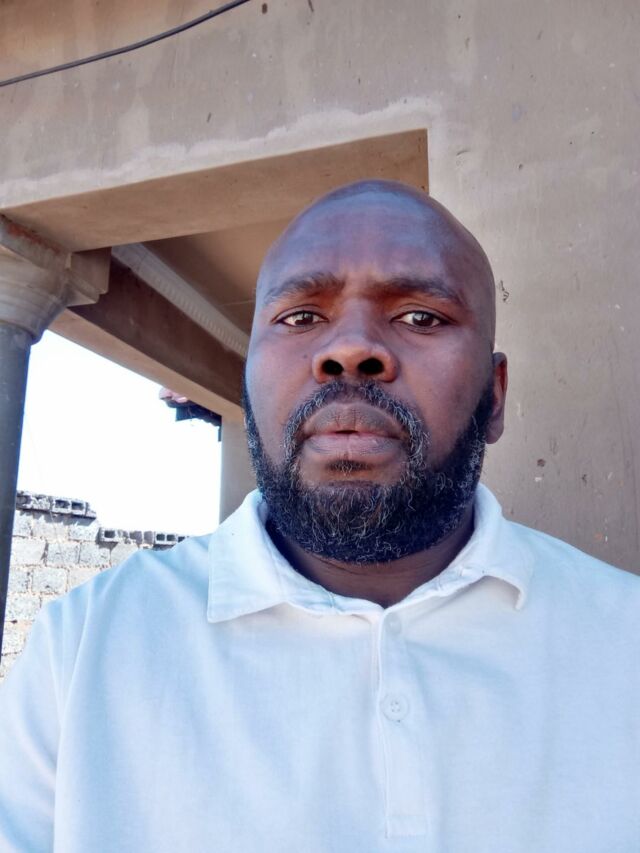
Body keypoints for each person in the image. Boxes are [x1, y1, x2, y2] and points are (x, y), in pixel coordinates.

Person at [1, 180, 638, 852]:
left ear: (496, 395)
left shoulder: (625, 642)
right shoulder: (83, 652)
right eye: (301, 316)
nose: (352, 348)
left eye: (421, 317)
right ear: (248, 379)